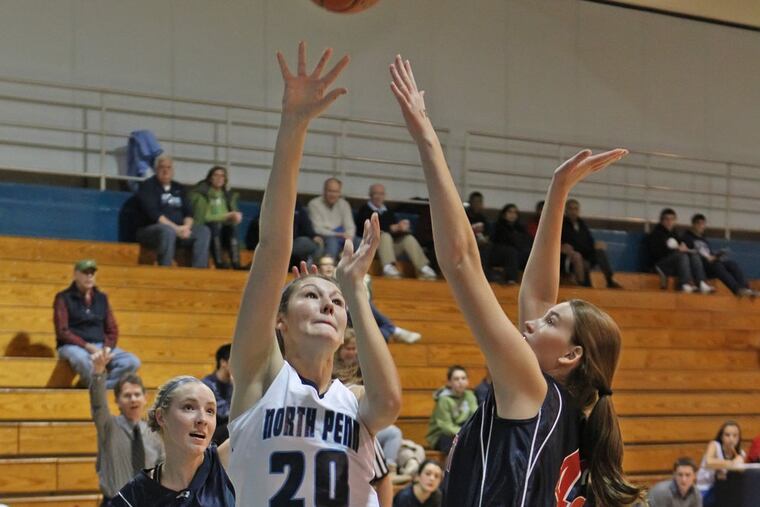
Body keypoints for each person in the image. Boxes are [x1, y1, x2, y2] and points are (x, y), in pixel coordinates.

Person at [390, 55, 642, 505]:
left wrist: (427, 139)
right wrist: (558, 191)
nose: (530, 322)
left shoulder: (534, 388)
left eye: (549, 323)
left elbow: (463, 260)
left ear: (570, 354)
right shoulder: (562, 409)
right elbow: (539, 295)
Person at [226, 43, 401, 506]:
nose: (328, 302)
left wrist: (356, 291)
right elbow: (272, 247)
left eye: (335, 302)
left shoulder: (356, 401)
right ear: (279, 321)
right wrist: (294, 126)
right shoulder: (259, 378)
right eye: (309, 294)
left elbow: (391, 405)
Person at [112, 376, 234, 506]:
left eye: (210, 411)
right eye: (189, 407)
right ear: (161, 417)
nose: (203, 419)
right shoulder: (133, 496)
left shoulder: (225, 462)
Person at [89, 350, 163, 504]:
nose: (133, 399)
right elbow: (98, 404)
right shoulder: (108, 426)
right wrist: (98, 372)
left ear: (145, 398)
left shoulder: (155, 433)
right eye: (127, 395)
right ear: (117, 400)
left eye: (137, 394)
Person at [54, 259, 140, 388]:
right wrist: (87, 346)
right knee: (83, 360)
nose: (89, 276)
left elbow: (112, 329)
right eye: (85, 273)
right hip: (72, 346)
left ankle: (96, 387)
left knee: (132, 361)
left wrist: (106, 349)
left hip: (100, 346)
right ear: (75, 275)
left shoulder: (102, 298)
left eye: (92, 273)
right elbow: (63, 331)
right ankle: (97, 388)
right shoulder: (63, 297)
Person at [318, 256, 422, 344]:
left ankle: (390, 330)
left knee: (364, 305)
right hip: (338, 322)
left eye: (331, 264)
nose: (329, 267)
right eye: (325, 264)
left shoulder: (338, 281)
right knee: (363, 310)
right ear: (318, 268)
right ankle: (394, 331)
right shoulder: (317, 283)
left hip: (352, 319)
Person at [135, 155, 211, 268]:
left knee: (203, 231)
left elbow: (189, 212)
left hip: (179, 230)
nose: (166, 171)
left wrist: (186, 227)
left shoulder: (179, 188)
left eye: (169, 167)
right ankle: (165, 269)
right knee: (167, 231)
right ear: (156, 169)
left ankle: (199, 271)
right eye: (162, 167)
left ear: (173, 170)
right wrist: (176, 229)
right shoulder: (148, 186)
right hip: (151, 231)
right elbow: (154, 214)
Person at [355, 183, 437, 280]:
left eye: (381, 194)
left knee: (408, 239)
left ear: (384, 195)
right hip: (371, 248)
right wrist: (391, 229)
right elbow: (365, 230)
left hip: (389, 247)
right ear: (370, 195)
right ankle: (388, 266)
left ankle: (423, 267)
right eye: (375, 194)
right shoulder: (364, 210)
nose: (378, 196)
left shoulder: (388, 211)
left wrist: (401, 229)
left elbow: (393, 231)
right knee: (384, 236)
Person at [683, 214, 754, 297]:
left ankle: (746, 289)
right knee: (717, 265)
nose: (701, 226)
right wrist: (706, 258)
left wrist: (718, 255)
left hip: (711, 262)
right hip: (701, 265)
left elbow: (708, 253)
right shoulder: (686, 237)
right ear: (693, 224)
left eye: (703, 224)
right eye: (698, 223)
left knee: (732, 264)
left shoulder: (703, 239)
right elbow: (687, 252)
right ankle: (737, 289)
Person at [646, 208, 715, 293]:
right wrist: (674, 250)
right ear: (662, 220)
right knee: (682, 255)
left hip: (673, 264)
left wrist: (684, 248)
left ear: (675, 221)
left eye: (672, 219)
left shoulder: (675, 234)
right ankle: (684, 284)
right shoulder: (656, 234)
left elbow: (680, 246)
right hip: (659, 266)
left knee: (694, 255)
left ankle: (701, 282)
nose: (669, 222)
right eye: (666, 219)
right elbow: (656, 254)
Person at [189, 166, 244, 269]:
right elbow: (204, 217)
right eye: (216, 175)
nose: (219, 178)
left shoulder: (227, 196)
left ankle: (236, 264)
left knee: (231, 229)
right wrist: (225, 216)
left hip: (224, 231)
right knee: (215, 226)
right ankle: (219, 263)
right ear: (210, 178)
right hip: (208, 228)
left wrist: (235, 218)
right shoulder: (201, 194)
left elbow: (231, 217)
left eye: (222, 176)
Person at [562, 199, 622, 288]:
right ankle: (581, 284)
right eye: (571, 209)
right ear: (566, 210)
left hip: (586, 255)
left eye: (576, 209)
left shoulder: (582, 224)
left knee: (600, 251)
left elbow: (590, 241)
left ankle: (609, 280)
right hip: (569, 257)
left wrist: (595, 246)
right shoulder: (561, 224)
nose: (573, 211)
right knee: (577, 256)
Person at [425, 365, 478, 455]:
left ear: (467, 381)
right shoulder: (444, 399)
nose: (460, 382)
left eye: (463, 378)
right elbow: (445, 426)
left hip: (461, 431)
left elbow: (475, 416)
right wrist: (465, 433)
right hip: (442, 434)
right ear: (449, 382)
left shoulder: (470, 396)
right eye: (456, 379)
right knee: (456, 446)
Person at [696, 420, 745, 506]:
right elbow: (709, 462)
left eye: (735, 436)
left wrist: (741, 466)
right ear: (721, 437)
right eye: (727, 435)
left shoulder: (741, 453)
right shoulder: (714, 445)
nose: (731, 439)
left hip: (722, 491)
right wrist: (732, 463)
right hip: (705, 489)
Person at [308, 176, 356, 260]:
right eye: (330, 191)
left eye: (336, 191)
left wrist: (349, 237)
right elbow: (317, 229)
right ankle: (329, 270)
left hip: (343, 236)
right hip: (324, 236)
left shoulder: (344, 204)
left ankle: (357, 271)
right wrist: (337, 234)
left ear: (339, 192)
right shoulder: (314, 204)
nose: (333, 194)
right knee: (332, 241)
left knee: (359, 242)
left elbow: (350, 226)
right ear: (324, 191)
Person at [489, 204, 533, 284]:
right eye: (510, 212)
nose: (512, 215)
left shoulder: (520, 228)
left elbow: (526, 240)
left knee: (531, 253)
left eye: (515, 212)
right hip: (500, 252)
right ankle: (511, 280)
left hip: (518, 252)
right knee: (511, 252)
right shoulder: (498, 226)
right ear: (504, 214)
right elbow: (497, 240)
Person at [202, 344, 233, 446]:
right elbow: (223, 413)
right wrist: (237, 388)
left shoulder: (232, 383)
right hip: (210, 430)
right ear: (223, 362)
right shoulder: (208, 384)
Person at [293, 201, 324, 266]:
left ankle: (310, 271)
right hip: (276, 241)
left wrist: (313, 236)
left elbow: (305, 223)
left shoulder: (297, 205)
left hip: (295, 240)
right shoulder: (273, 203)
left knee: (318, 244)